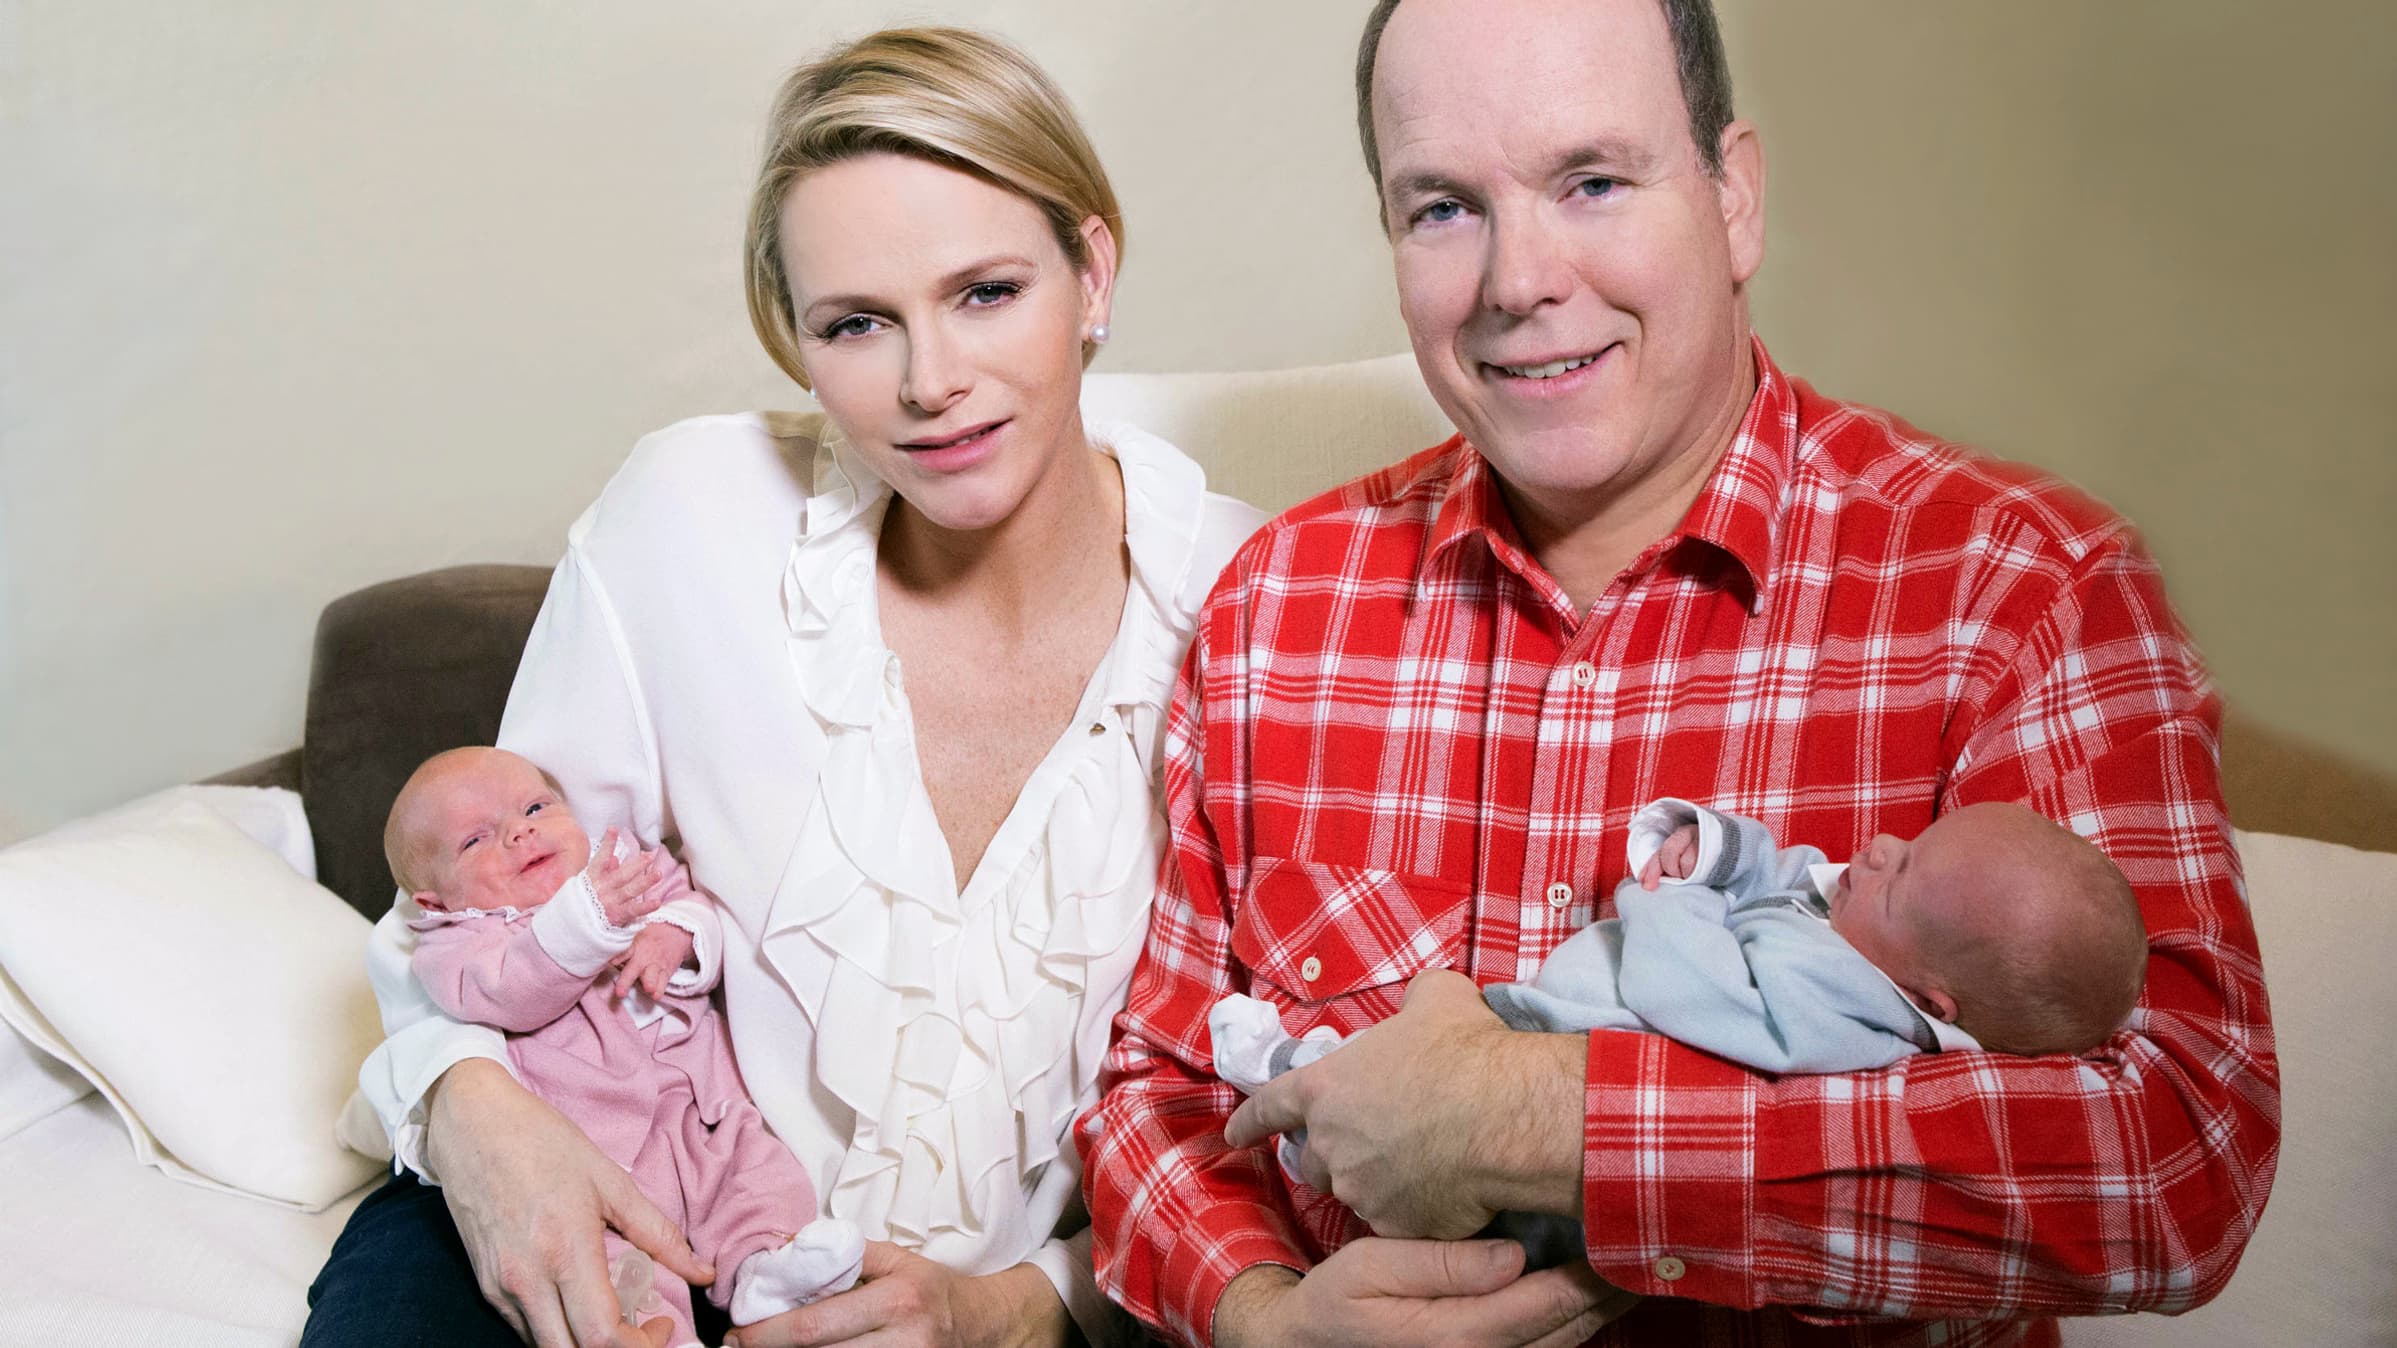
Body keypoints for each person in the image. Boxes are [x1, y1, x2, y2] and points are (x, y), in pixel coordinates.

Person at [1077, 1, 2277, 1346]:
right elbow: (1160, 1093)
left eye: (1591, 181)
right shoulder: (1280, 603)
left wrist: (1551, 1122)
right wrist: (1264, 1319)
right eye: (1442, 209)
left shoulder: (2023, 589)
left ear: (1735, 198)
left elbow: (2178, 1154)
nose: (1517, 278)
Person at [303, 26, 1262, 1348]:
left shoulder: (1264, 601)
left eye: (986, 291)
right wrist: (470, 1109)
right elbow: (477, 916)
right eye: (857, 323)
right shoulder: (687, 517)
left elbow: (1281, 1125)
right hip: (632, 1204)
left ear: (1090, 272)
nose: (932, 383)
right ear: (796, 343)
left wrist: (1021, 1307)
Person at [1211, 796, 2149, 1275]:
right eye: (1913, 839)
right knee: (1405, 1066)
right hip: (1531, 1021)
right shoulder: (1860, 932)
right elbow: (1787, 875)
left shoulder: (1843, 1008)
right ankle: (1310, 1090)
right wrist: (1712, 846)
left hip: (1569, 1042)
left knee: (1421, 1140)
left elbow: (1693, 997)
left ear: (1932, 1002)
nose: (1876, 850)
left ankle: (1290, 1086)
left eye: (1901, 879)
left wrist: (1668, 893)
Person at [385, 747, 868, 1348]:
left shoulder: (617, 863)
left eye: (535, 806)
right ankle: (656, 1334)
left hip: (700, 1104)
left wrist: (677, 934)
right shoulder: (460, 945)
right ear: (434, 902)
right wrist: (585, 921)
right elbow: (506, 992)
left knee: (756, 1171)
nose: (519, 832)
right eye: (475, 842)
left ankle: (768, 1267)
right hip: (596, 1150)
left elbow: (693, 902)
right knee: (612, 1257)